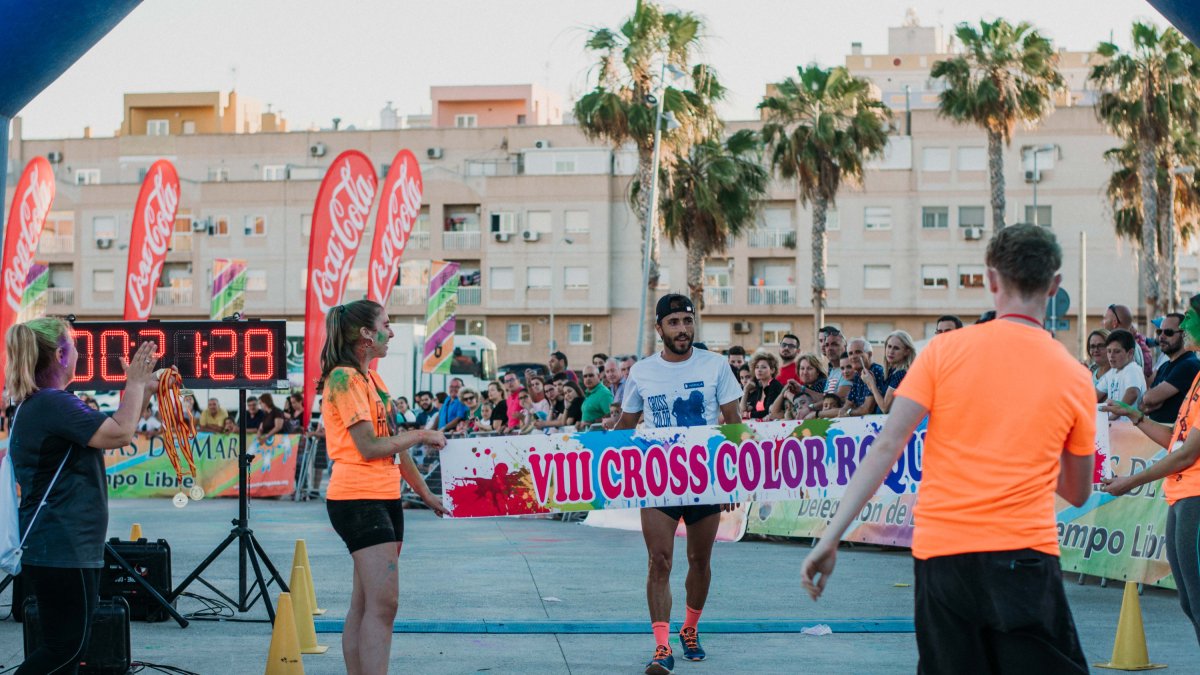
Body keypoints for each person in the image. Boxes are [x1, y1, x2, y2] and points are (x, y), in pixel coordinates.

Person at [801, 224, 1095, 674]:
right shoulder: (1074, 375)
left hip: (944, 555)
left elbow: (887, 445)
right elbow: (1077, 491)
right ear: (1054, 286)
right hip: (1023, 555)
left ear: (991, 279)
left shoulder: (943, 351)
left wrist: (831, 536)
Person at [7, 318, 159, 675]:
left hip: (62, 545)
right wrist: (134, 383)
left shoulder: (45, 404)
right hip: (62, 546)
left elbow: (112, 427)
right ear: (61, 355)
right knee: (65, 649)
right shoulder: (53, 404)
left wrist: (143, 391)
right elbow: (120, 434)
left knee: (66, 652)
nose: (79, 353)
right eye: (74, 346)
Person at [613, 294, 743, 674]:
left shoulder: (716, 365)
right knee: (659, 560)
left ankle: (689, 628)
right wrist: (596, 449)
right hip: (658, 480)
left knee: (700, 561)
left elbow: (734, 424)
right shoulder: (642, 372)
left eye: (687, 321)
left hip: (705, 479)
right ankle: (662, 646)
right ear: (659, 328)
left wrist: (731, 480)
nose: (683, 329)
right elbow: (626, 425)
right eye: (674, 322)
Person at [318, 299, 447, 675]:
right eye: (386, 325)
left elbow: (393, 446)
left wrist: (425, 494)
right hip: (358, 498)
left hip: (384, 496)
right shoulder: (343, 379)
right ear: (366, 334)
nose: (391, 333)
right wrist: (421, 434)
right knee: (384, 605)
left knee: (366, 604)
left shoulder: (373, 381)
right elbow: (371, 447)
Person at [1102, 293, 1200, 646]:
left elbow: (1187, 455)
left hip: (1195, 497)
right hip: (1181, 496)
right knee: (1189, 602)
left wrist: (1131, 481)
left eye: (1190, 316)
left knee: (1198, 602)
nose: (1184, 324)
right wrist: (1135, 416)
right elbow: (1177, 440)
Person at [1142, 313, 1200, 424]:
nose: (1161, 337)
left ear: (1184, 335)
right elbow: (1142, 404)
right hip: (1157, 431)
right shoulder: (1164, 366)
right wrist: (1153, 399)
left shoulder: (1189, 365)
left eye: (1168, 332)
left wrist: (1153, 399)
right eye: (1159, 332)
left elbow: (1148, 398)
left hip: (1175, 433)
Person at [1097, 329, 1147, 422]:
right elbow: (1095, 395)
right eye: (1109, 351)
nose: (1111, 355)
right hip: (1117, 426)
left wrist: (1114, 416)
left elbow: (1132, 393)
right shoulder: (1112, 372)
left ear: (1130, 353)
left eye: (1117, 351)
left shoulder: (1132, 368)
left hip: (1131, 427)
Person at [862, 330, 916, 414]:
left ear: (907, 352)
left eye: (896, 348)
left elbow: (885, 408)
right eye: (889, 346)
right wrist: (870, 382)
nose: (891, 351)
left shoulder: (901, 373)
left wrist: (872, 384)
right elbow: (882, 398)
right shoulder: (891, 371)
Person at [1103, 303, 1154, 379]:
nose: (1103, 322)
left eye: (1105, 319)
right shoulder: (1135, 345)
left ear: (1114, 323)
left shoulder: (1121, 347)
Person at [771, 353, 828, 420]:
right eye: (802, 368)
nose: (805, 372)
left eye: (809, 369)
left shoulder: (823, 383)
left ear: (818, 372)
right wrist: (784, 392)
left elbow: (826, 400)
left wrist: (794, 393)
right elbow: (774, 413)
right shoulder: (805, 387)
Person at [741, 350, 782, 420]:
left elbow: (767, 412)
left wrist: (747, 414)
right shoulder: (760, 387)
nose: (759, 370)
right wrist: (746, 390)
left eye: (763, 367)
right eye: (757, 367)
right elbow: (743, 409)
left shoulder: (775, 386)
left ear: (772, 370)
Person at [579, 364, 612, 429]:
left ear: (598, 376)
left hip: (600, 434)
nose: (588, 378)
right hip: (589, 433)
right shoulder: (589, 392)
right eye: (585, 376)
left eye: (591, 375)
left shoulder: (604, 393)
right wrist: (580, 423)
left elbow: (612, 416)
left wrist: (592, 422)